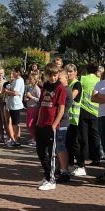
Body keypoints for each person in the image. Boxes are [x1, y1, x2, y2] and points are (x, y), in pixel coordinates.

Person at [34, 63, 67, 191]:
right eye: (50, 75)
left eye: (55, 75)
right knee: (41, 152)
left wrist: (54, 125)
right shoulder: (45, 86)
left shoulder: (60, 88)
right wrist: (38, 122)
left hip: (51, 125)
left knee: (51, 154)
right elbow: (41, 105)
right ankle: (47, 176)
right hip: (41, 124)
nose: (53, 78)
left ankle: (51, 180)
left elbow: (61, 109)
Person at [64, 64, 86, 176]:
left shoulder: (76, 84)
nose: (68, 74)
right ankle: (71, 164)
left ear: (75, 72)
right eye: (67, 71)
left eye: (71, 71)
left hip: (75, 118)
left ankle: (81, 165)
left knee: (75, 143)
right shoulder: (67, 84)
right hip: (68, 118)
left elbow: (71, 97)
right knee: (68, 142)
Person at [78, 63, 102, 166]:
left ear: (87, 70)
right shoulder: (99, 80)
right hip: (96, 111)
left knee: (83, 135)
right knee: (95, 135)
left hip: (83, 109)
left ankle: (83, 157)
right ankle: (96, 158)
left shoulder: (82, 79)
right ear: (96, 71)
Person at [3, 67, 25, 147]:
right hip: (12, 104)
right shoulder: (16, 80)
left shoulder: (19, 81)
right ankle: (14, 140)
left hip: (16, 105)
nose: (12, 73)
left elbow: (15, 93)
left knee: (16, 123)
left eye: (14, 72)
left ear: (18, 72)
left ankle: (16, 140)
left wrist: (7, 91)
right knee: (13, 123)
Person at [24, 72, 41, 146]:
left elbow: (39, 100)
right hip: (29, 107)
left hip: (34, 108)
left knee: (30, 125)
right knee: (28, 125)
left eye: (31, 79)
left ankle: (36, 139)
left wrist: (31, 97)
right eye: (29, 79)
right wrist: (26, 99)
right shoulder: (30, 88)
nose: (29, 80)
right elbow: (28, 97)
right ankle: (34, 138)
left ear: (35, 80)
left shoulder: (37, 89)